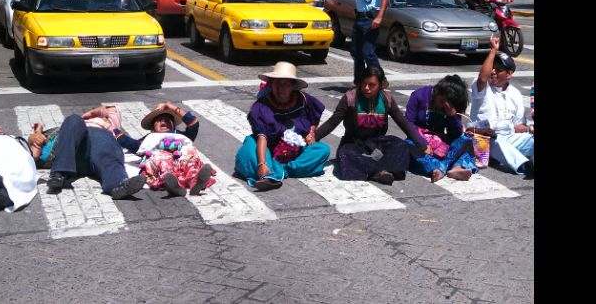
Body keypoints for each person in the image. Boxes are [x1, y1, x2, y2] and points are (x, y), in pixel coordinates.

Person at [315, 65, 431, 185]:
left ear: (380, 85)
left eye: (371, 85)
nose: (366, 88)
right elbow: (333, 121)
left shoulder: (387, 99)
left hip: (378, 143)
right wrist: (314, 137)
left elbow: (403, 122)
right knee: (345, 154)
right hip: (354, 143)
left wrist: (422, 144)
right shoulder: (350, 98)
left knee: (401, 146)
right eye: (364, 83)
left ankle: (374, 170)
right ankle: (381, 171)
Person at [234, 61, 331, 191]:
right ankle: (267, 170)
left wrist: (311, 132)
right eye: (277, 83)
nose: (281, 87)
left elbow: (314, 118)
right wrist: (262, 163)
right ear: (271, 85)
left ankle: (279, 172)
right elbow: (262, 137)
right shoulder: (261, 106)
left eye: (286, 83)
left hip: (295, 151)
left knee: (322, 150)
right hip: (268, 149)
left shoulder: (304, 100)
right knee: (250, 148)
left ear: (292, 86)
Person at [41, 106, 147, 199]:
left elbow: (112, 110)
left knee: (103, 140)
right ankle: (58, 174)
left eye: (104, 117)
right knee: (73, 119)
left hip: (101, 154)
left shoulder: (113, 129)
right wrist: (86, 118)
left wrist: (94, 116)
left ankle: (118, 185)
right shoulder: (80, 125)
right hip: (79, 155)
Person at [112, 102, 216, 197]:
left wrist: (170, 106)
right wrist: (112, 128)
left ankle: (195, 184)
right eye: (159, 120)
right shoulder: (149, 138)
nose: (163, 121)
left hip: (182, 161)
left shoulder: (181, 135)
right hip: (163, 165)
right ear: (153, 128)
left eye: (167, 119)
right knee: (157, 156)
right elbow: (129, 143)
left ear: (173, 125)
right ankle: (173, 187)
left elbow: (194, 124)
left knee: (190, 153)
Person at [469, 35, 534, 177]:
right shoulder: (483, 86)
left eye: (498, 69)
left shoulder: (515, 94)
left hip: (509, 138)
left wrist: (530, 128)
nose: (493, 71)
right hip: (483, 141)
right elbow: (482, 78)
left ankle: (517, 157)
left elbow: (519, 126)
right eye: (493, 67)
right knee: (495, 139)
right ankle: (525, 166)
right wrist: (493, 51)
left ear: (509, 74)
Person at [326, 0, 389, 85]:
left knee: (368, 52)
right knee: (356, 52)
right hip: (359, 18)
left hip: (371, 17)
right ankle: (359, 81)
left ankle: (380, 78)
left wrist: (379, 17)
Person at [405, 75, 478, 182]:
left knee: (467, 141)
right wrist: (422, 144)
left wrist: (452, 115)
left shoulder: (450, 107)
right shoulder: (418, 96)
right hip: (420, 142)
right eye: (442, 101)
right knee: (406, 146)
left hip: (441, 145)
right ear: (438, 91)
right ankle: (439, 168)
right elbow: (408, 124)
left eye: (446, 105)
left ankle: (454, 168)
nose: (442, 105)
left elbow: (455, 135)